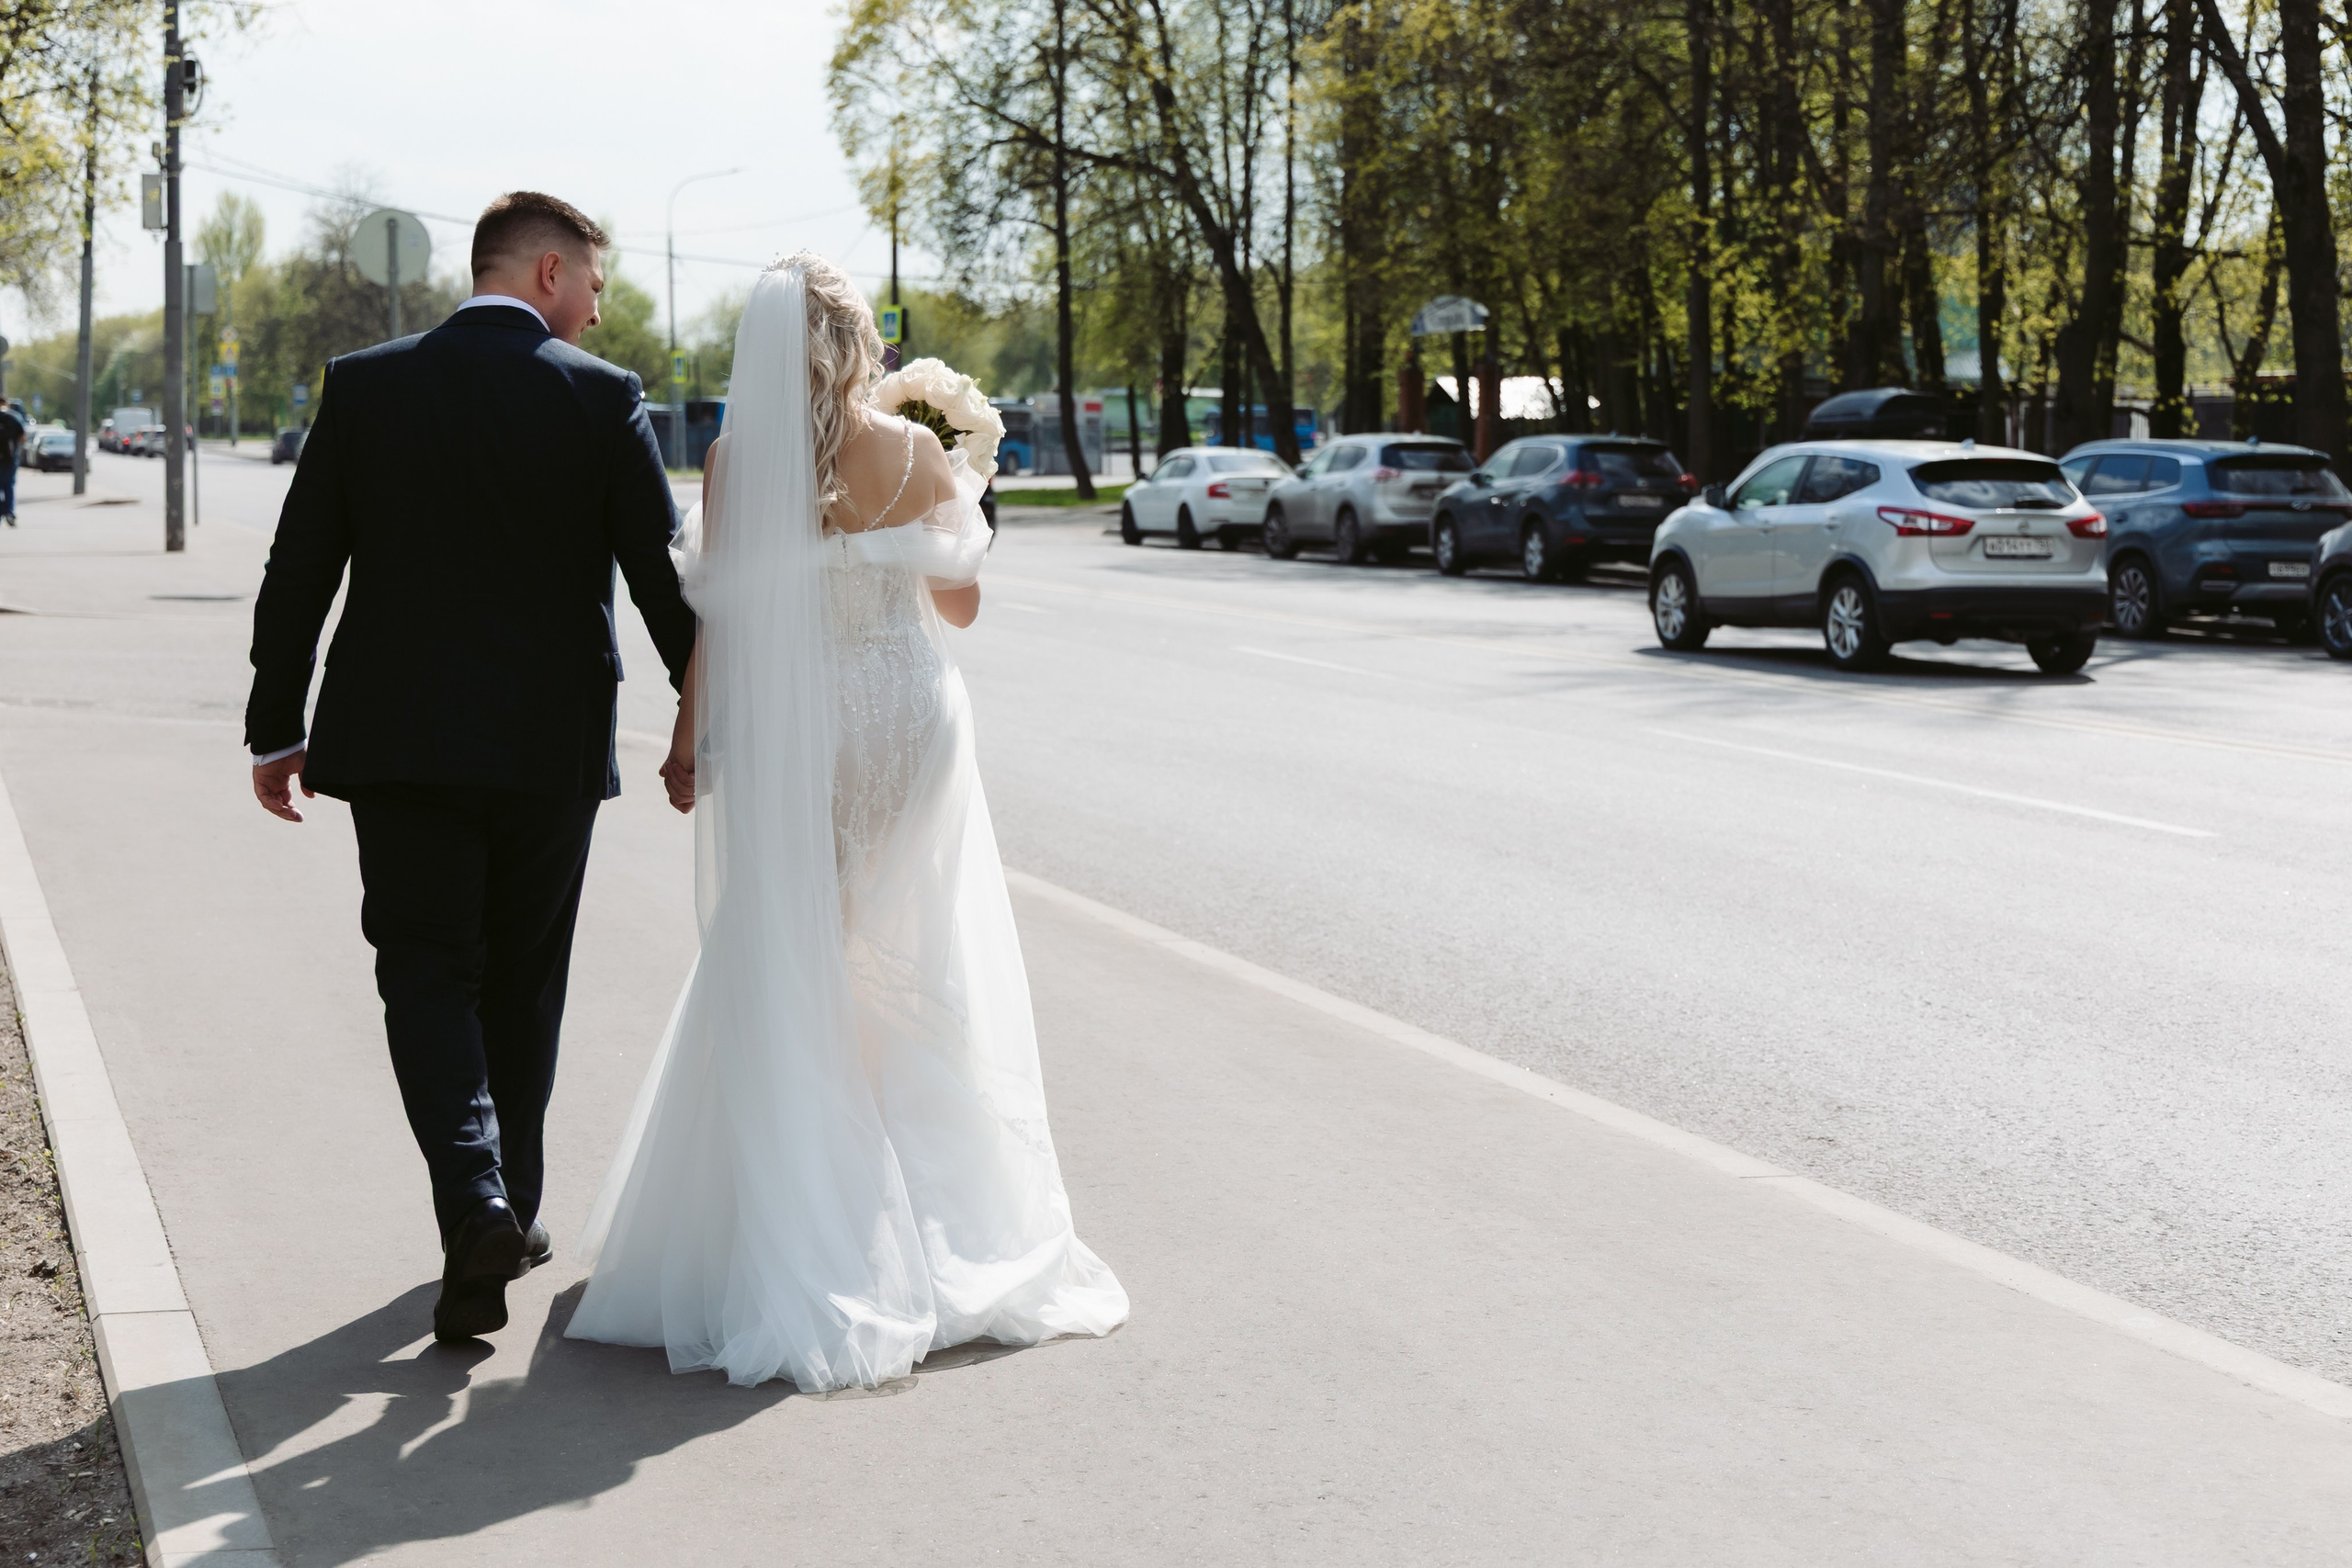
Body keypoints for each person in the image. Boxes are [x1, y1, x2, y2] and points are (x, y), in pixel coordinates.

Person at [563, 255, 1126, 1391]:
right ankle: (926, 1210)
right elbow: (957, 605)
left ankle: (811, 1212)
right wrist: (965, 486)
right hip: (905, 721)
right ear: (854, 340)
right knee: (897, 942)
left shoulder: (733, 462)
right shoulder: (915, 452)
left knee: (794, 948)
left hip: (794, 728)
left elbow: (717, 615)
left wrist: (687, 742)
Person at [243, 192, 697, 1343]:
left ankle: (474, 1207)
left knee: (425, 973)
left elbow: (301, 569)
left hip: (397, 745)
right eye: (591, 282)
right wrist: (714, 721)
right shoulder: (600, 398)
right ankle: (505, 1215)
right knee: (522, 984)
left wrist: (274, 725)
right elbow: (663, 582)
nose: (596, 310)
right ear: (547, 272)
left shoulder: (367, 385)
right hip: (548, 751)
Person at [0, 399, 26, 525]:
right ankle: (9, 512)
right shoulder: (14, 417)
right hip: (9, 459)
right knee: (8, 486)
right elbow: (22, 437)